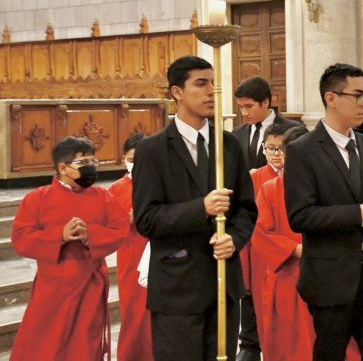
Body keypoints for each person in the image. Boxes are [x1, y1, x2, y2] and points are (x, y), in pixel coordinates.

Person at [133, 55, 257, 361]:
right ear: (177, 92)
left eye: (213, 83)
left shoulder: (228, 145)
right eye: (200, 84)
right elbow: (147, 220)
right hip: (177, 288)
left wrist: (234, 239)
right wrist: (200, 207)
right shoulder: (152, 150)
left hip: (224, 283)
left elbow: (246, 209)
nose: (211, 91)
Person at [284, 63, 363, 360]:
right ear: (331, 97)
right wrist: (359, 212)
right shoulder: (302, 150)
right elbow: (300, 216)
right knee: (331, 353)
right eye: (358, 95)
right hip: (330, 277)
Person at [11, 136, 130, 361]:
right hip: (51, 287)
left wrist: (90, 236)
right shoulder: (37, 199)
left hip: (89, 285)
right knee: (44, 344)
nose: (91, 168)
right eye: (84, 163)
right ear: (63, 168)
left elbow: (120, 228)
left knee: (84, 345)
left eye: (94, 162)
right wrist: (59, 236)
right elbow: (20, 238)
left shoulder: (103, 197)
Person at [251, 125, 362, 361]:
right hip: (288, 275)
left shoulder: (332, 187)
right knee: (291, 345)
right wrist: (295, 249)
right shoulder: (270, 189)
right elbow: (260, 232)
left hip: (328, 273)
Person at [232, 76, 299, 360]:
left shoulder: (293, 131)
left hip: (288, 228)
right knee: (252, 298)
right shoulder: (237, 135)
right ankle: (249, 345)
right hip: (253, 230)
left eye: (249, 106)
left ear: (266, 103)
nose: (244, 113)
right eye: (240, 107)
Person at [244, 122, 292, 358]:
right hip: (263, 254)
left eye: (280, 148)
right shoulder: (254, 178)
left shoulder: (299, 178)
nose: (275, 154)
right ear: (262, 149)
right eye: (270, 148)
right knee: (265, 313)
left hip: (293, 253)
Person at [109, 133, 153, 360]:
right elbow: (106, 224)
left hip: (157, 251)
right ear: (123, 158)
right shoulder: (116, 189)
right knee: (134, 311)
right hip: (130, 253)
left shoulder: (159, 183)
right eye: (131, 158)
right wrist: (124, 220)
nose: (136, 164)